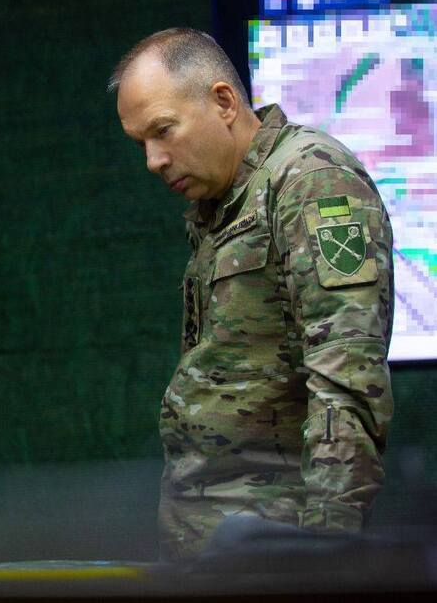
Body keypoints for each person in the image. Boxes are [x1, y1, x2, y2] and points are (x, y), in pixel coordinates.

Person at [110, 28, 394, 562]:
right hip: (218, 547)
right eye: (141, 143)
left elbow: (348, 380)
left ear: (223, 102)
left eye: (163, 131)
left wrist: (328, 553)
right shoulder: (226, 203)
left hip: (276, 549)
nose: (153, 160)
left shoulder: (312, 182)